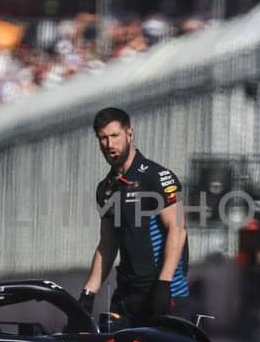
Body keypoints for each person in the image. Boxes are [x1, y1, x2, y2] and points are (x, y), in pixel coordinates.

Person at [79, 107, 190, 327]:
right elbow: (107, 245)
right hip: (127, 297)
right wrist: (89, 293)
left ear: (130, 134)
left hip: (163, 294)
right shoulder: (106, 188)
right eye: (103, 138)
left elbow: (177, 230)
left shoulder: (157, 177)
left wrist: (164, 284)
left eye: (114, 136)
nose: (109, 145)